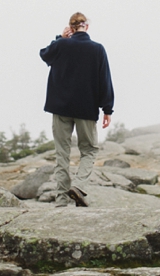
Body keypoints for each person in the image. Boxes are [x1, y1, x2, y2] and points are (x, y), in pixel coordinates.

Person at [40, 12, 114, 207]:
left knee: (62, 153)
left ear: (70, 28)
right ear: (86, 27)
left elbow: (44, 54)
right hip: (86, 109)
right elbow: (104, 79)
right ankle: (79, 186)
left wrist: (60, 38)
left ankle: (61, 199)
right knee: (89, 150)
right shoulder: (97, 49)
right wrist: (107, 109)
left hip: (60, 108)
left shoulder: (61, 45)